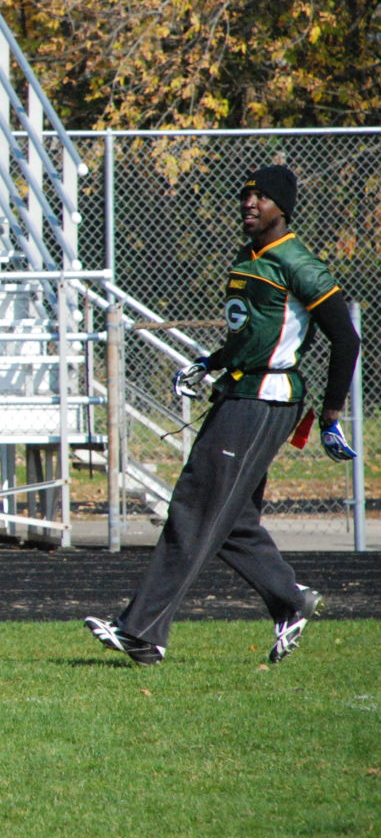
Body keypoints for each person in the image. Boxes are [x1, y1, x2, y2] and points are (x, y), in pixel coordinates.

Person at [86, 164, 361, 665]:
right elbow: (250, 335)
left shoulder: (298, 262)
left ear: (283, 207)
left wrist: (330, 414)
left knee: (194, 505)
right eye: (246, 195)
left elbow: (345, 336)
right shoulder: (247, 257)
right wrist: (210, 362)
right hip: (239, 394)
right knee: (231, 518)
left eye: (261, 197)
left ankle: (142, 631)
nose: (250, 203)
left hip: (265, 401)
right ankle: (290, 600)